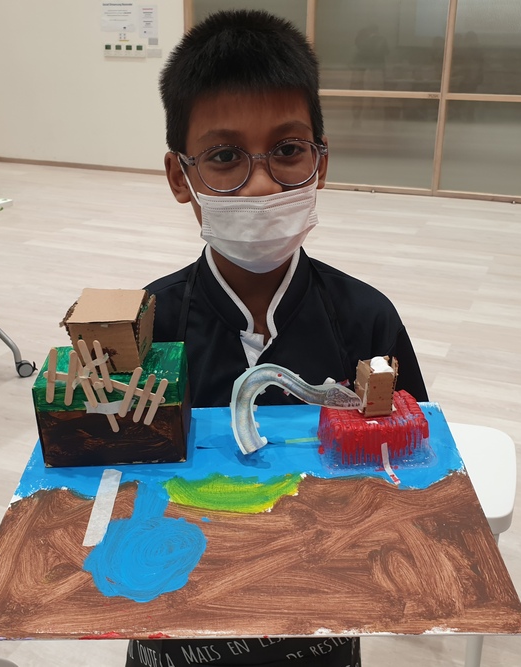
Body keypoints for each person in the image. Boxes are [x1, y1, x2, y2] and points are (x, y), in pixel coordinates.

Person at [129, 10, 427, 667]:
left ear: (320, 160)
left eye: (287, 151)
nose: (262, 183)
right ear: (181, 176)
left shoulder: (367, 320)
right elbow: (110, 479)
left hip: (315, 624)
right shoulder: (147, 321)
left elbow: (407, 468)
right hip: (179, 619)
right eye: (225, 156)